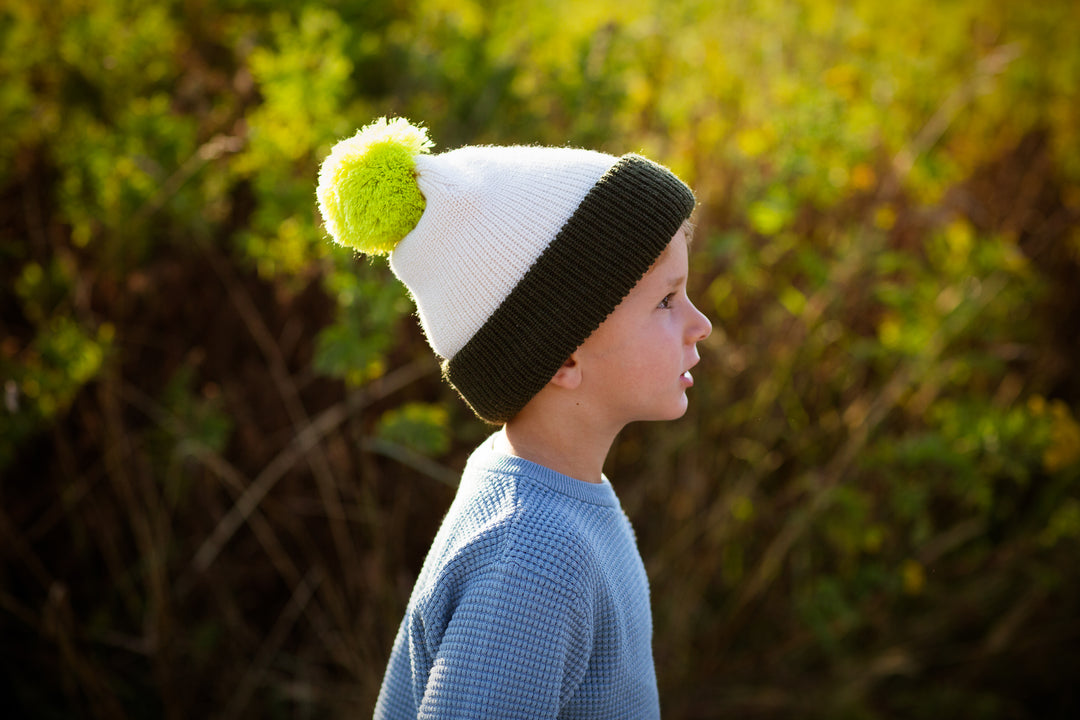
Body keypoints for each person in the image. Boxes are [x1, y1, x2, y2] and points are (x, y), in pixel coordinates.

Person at [316, 117, 712, 719]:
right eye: (665, 300)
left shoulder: (543, 490)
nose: (699, 323)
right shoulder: (534, 556)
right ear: (565, 355)